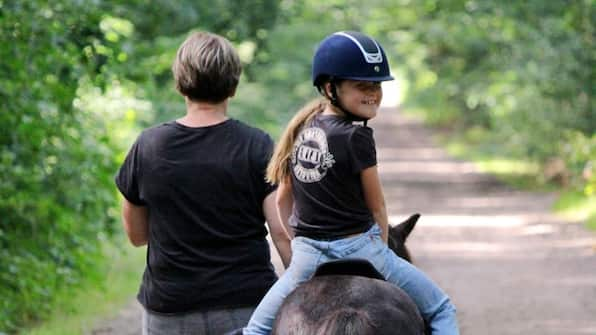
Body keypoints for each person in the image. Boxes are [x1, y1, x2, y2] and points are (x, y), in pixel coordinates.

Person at [242, 31, 459, 335]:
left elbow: (282, 201)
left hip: (307, 256)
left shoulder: (301, 133)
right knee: (441, 308)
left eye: (377, 85)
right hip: (361, 249)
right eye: (362, 86)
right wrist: (380, 252)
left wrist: (301, 245)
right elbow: (378, 205)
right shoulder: (358, 137)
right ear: (331, 88)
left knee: (254, 330)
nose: (373, 93)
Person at [114, 31, 292, 335]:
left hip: (171, 308)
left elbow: (137, 235)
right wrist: (305, 288)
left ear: (180, 83)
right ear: (233, 85)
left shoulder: (149, 146)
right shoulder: (257, 145)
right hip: (246, 305)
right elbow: (281, 232)